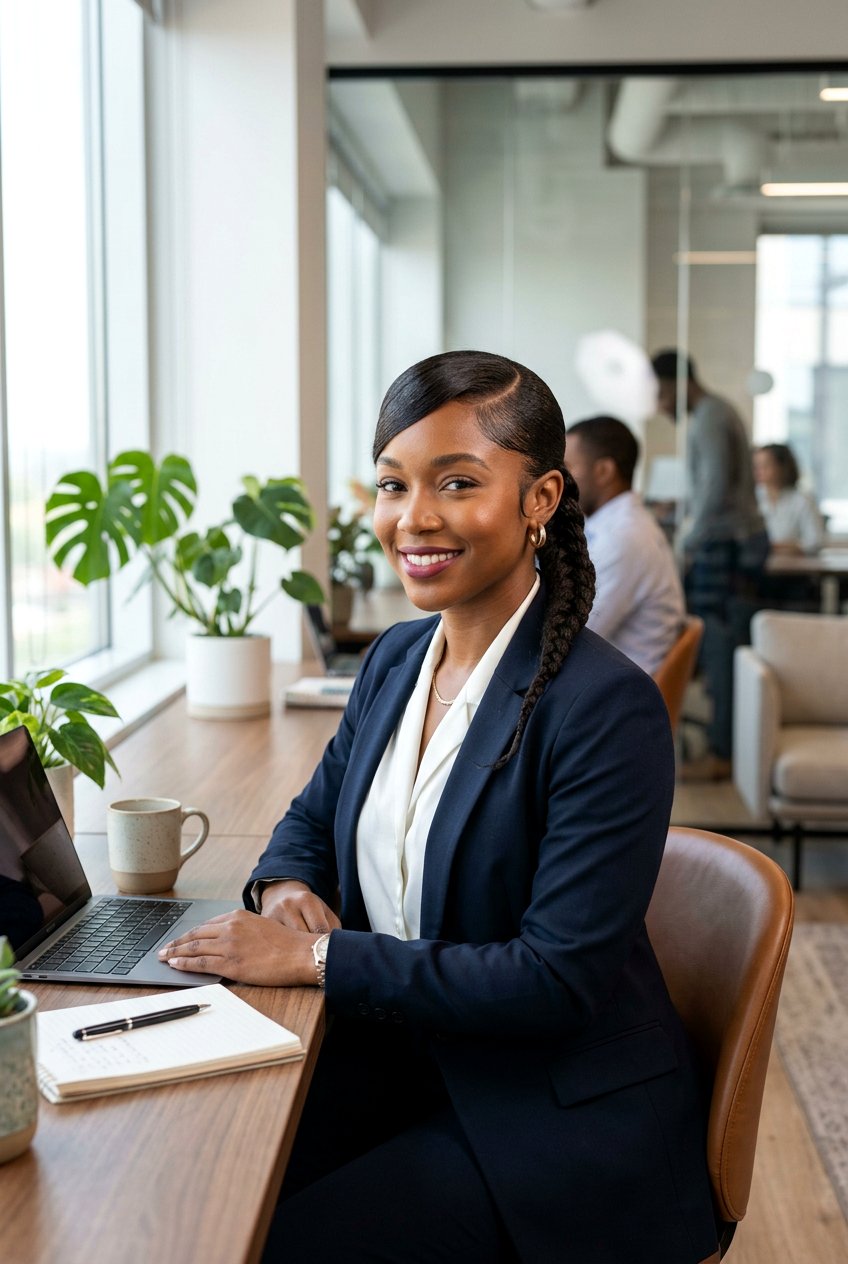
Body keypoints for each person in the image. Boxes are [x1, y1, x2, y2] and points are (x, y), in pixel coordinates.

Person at [158, 351, 718, 1264]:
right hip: (401, 1062)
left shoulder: (602, 707)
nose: (413, 517)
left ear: (540, 499)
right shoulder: (395, 658)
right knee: (192, 1189)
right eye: (393, 484)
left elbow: (553, 980)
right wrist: (287, 885)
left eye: (457, 483)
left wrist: (317, 957)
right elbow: (311, 818)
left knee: (270, 1240)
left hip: (545, 1119)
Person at [651, 349, 769, 779]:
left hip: (726, 545)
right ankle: (725, 749)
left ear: (679, 384)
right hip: (729, 540)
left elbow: (715, 490)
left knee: (721, 648)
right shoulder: (712, 413)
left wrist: (686, 541)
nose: (661, 406)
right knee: (723, 646)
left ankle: (723, 753)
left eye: (663, 394)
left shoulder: (710, 417)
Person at [565, 414, 686, 676]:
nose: (559, 481)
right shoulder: (612, 527)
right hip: (602, 675)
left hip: (616, 689)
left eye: (568, 468)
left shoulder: (624, 538)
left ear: (604, 471)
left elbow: (570, 635)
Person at [753, 442, 824, 556]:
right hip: (759, 563)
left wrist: (780, 547)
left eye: (765, 465)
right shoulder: (753, 499)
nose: (759, 470)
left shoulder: (802, 500)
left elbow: (815, 542)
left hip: (793, 564)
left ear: (782, 467)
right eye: (756, 466)